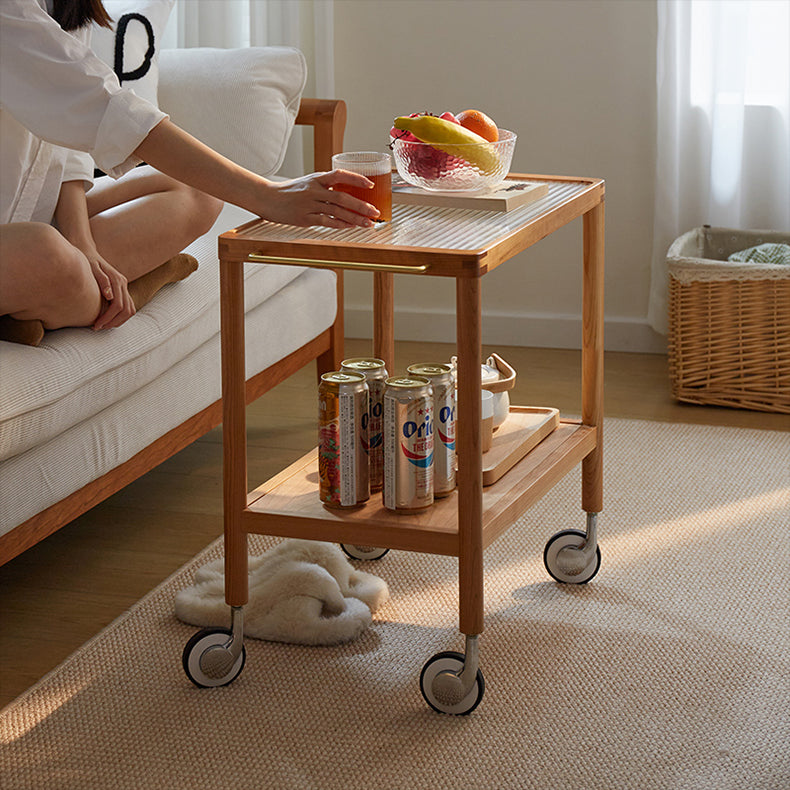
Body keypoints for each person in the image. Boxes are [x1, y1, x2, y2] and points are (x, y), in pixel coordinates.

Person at [0, 0, 379, 346]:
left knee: (196, 193)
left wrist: (82, 241)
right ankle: (83, 298)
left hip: (28, 215)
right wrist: (267, 195)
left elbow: (66, 135)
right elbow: (104, 109)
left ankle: (38, 296)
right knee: (45, 251)